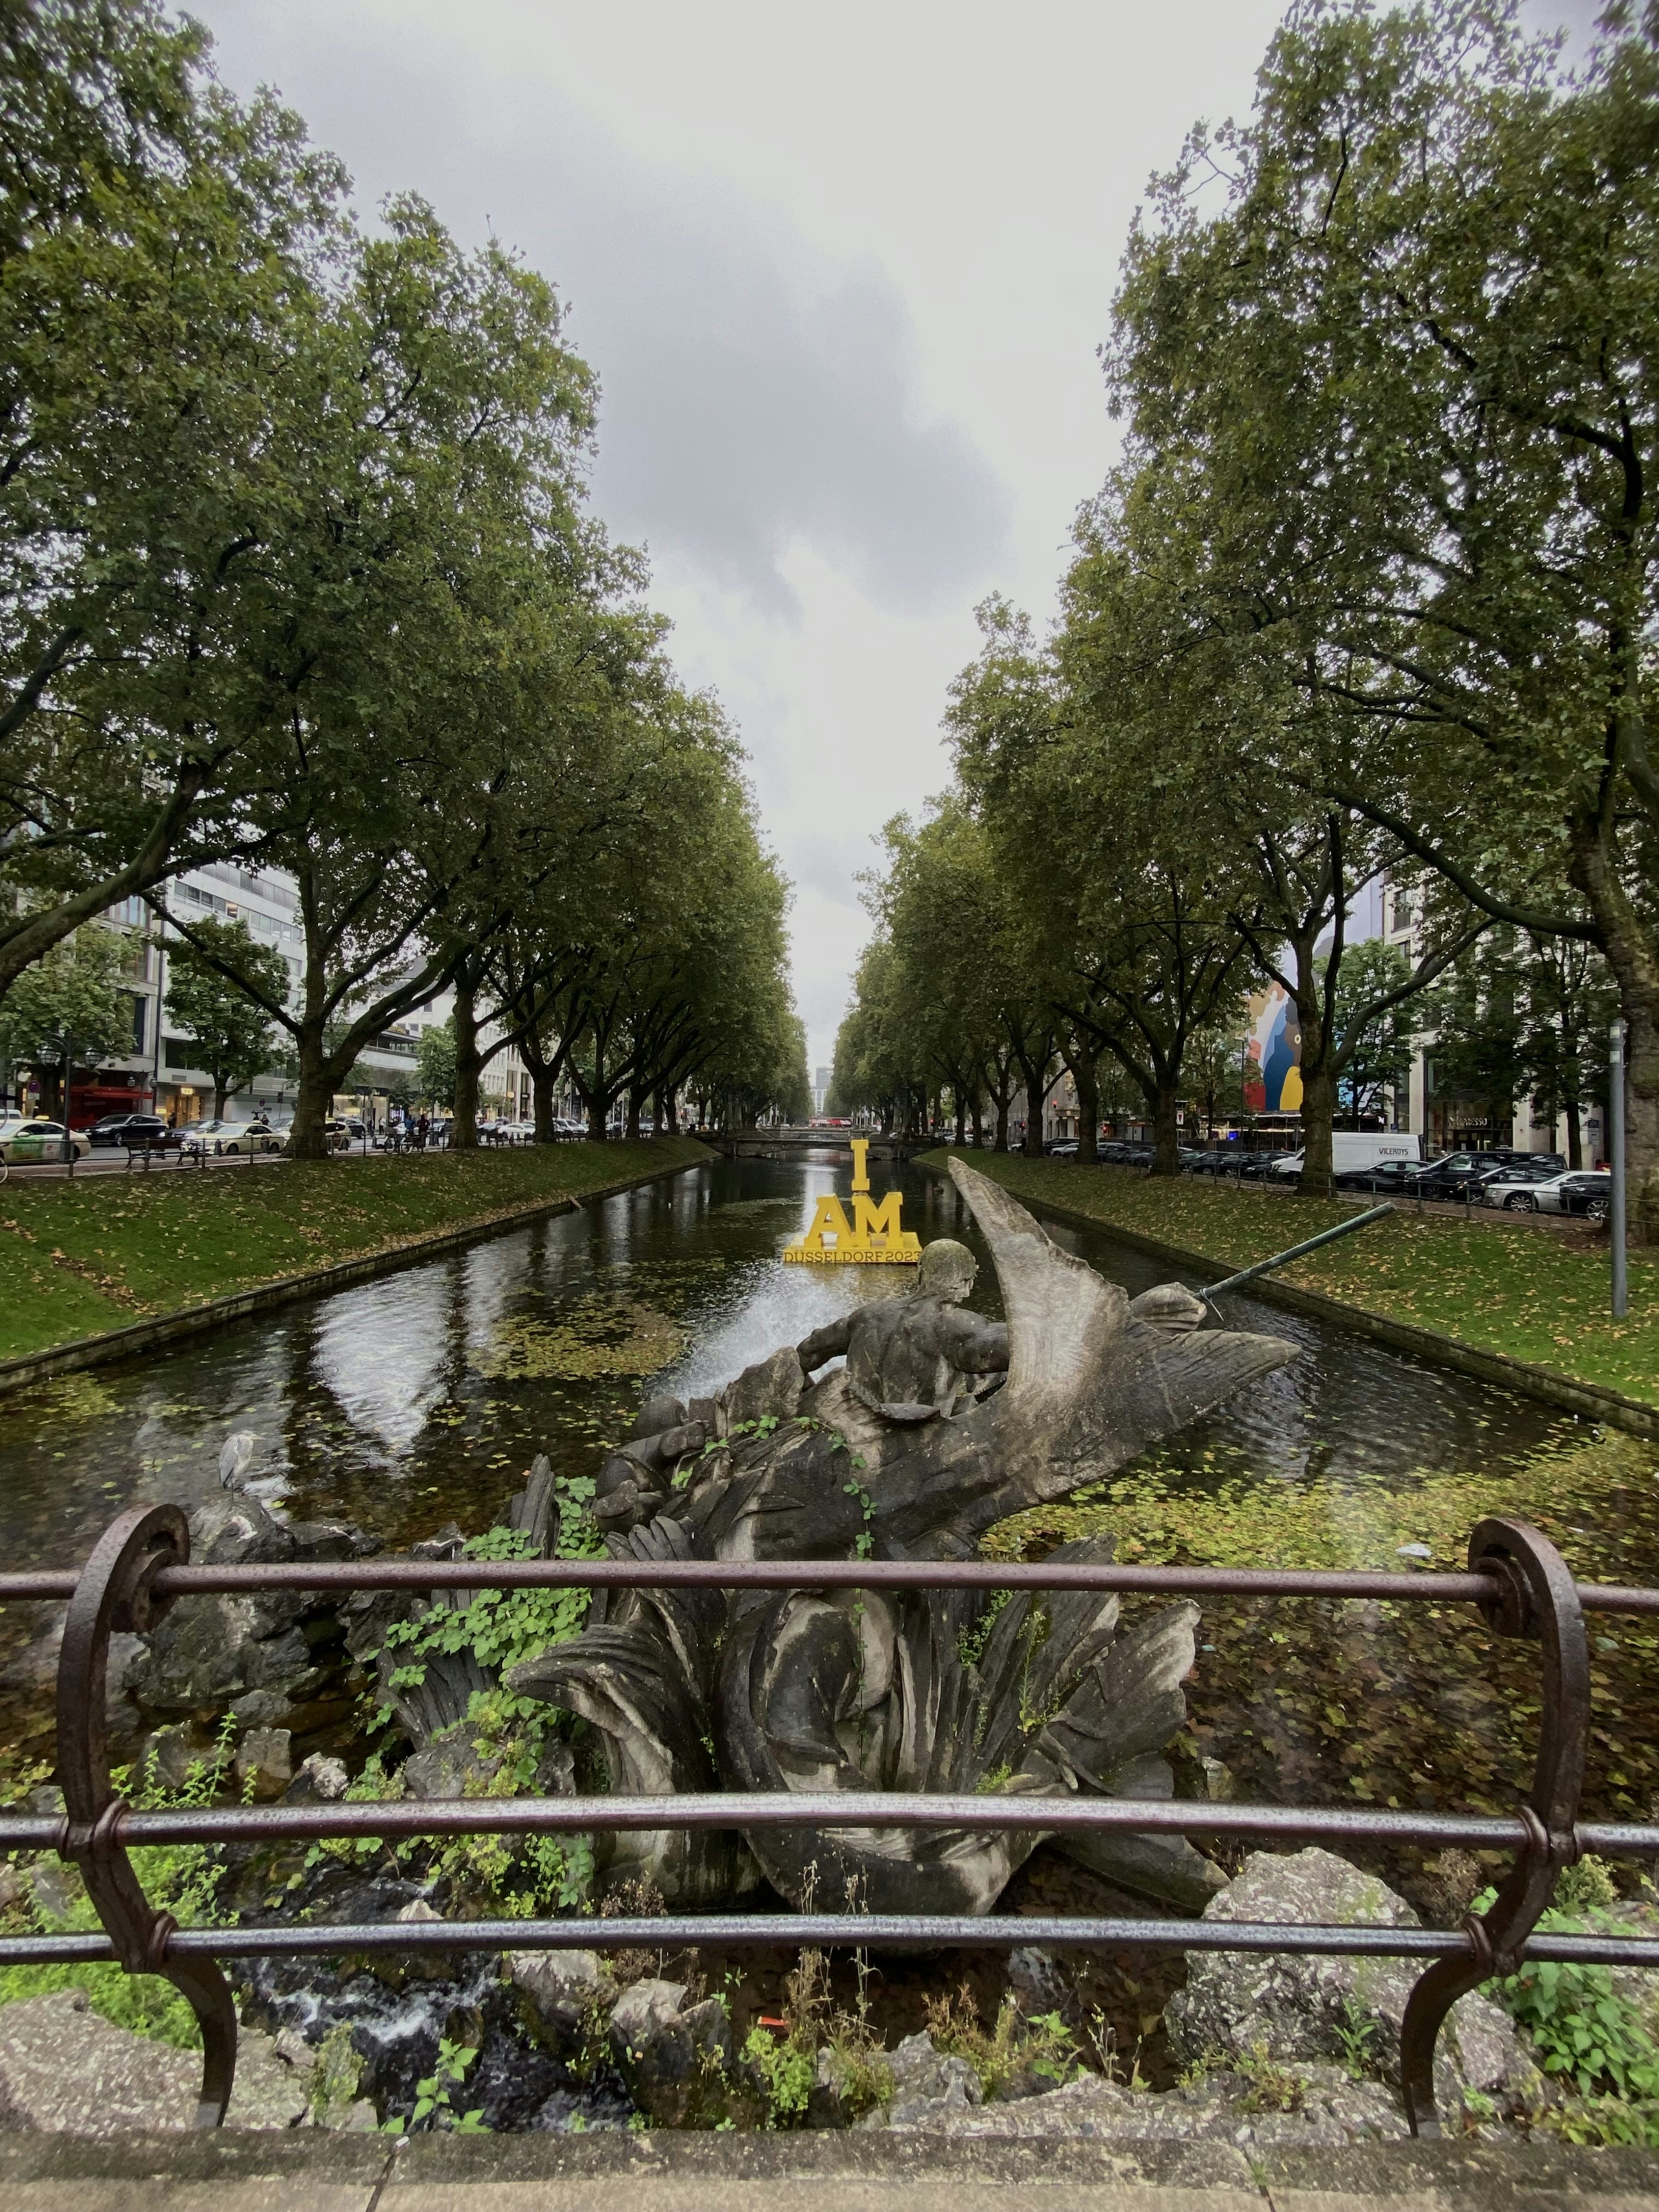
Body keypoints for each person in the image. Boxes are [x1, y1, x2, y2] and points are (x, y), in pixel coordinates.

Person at [795, 1238, 1008, 1423]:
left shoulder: (868, 1315)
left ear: (921, 1273)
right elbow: (1011, 1346)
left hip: (857, 1432)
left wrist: (807, 1391)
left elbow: (807, 1352)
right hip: (918, 1441)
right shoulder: (950, 1325)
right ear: (966, 1283)